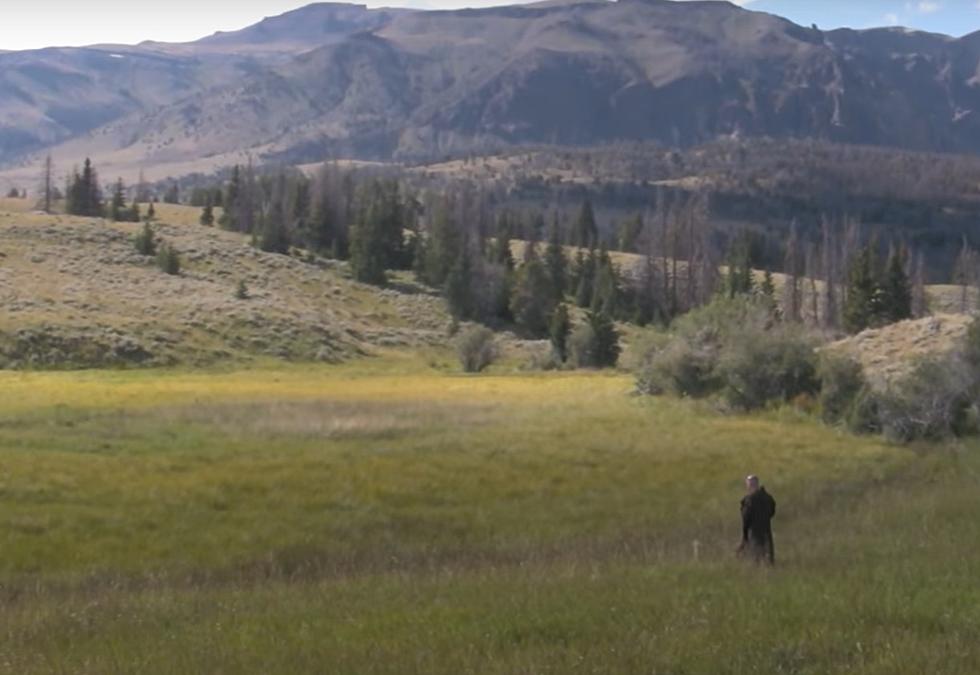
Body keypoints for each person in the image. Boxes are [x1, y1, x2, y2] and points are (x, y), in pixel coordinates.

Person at [737, 474, 776, 565]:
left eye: (749, 485)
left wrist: (745, 535)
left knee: (756, 558)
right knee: (768, 557)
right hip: (766, 530)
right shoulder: (767, 498)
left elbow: (746, 518)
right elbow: (772, 512)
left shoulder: (749, 500)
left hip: (754, 532)